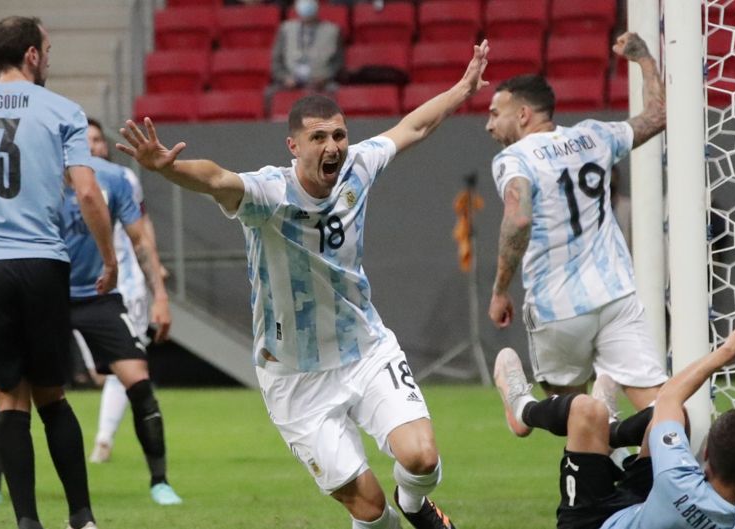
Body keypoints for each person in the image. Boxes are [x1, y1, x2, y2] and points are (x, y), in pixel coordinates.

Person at [117, 40, 490, 529]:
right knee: (369, 507)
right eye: (319, 138)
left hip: (365, 350)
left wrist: (462, 89)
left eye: (338, 135)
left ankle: (417, 505)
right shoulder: (269, 193)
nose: (333, 146)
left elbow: (413, 126)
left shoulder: (358, 165)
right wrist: (170, 167)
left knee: (421, 459)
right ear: (294, 146)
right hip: (295, 378)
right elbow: (216, 179)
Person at [0, 15, 116, 529]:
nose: (49, 59)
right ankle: (82, 519)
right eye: (48, 50)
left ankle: (27, 523)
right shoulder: (65, 112)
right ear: (32, 54)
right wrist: (109, 257)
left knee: (10, 399)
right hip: (44, 262)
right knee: (53, 395)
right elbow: (87, 191)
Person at [493, 309, 735, 529]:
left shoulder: (677, 477)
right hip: (644, 509)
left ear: (705, 455)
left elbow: (670, 395)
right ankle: (609, 438)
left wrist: (728, 350)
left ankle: (522, 409)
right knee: (670, 419)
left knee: (589, 410)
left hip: (593, 523)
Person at [484, 32, 668, 424]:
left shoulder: (514, 158)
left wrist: (500, 290)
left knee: (573, 418)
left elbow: (518, 217)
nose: (488, 125)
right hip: (615, 293)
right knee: (660, 410)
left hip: (558, 306)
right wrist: (645, 60)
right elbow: (657, 116)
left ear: (522, 115)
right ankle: (615, 428)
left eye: (494, 114)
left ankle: (523, 410)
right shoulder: (593, 136)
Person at [60, 138, 180, 505]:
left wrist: (160, 295)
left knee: (139, 382)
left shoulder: (114, 179)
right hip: (47, 295)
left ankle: (160, 482)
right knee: (11, 389)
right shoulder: (35, 179)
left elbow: (141, 239)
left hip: (100, 294)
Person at [84, 117, 171, 466]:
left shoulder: (123, 179)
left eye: (97, 139)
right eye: (86, 140)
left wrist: (156, 268)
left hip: (127, 285)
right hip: (81, 286)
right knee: (100, 374)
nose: (93, 146)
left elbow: (141, 225)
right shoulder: (64, 178)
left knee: (128, 366)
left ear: (105, 145)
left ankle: (103, 441)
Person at [270, 0, 343, 94]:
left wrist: (325, 78)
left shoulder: (332, 30)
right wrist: (285, 77)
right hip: (291, 80)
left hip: (321, 81)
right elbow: (276, 60)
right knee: (270, 93)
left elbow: (338, 62)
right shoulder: (285, 29)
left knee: (336, 91)